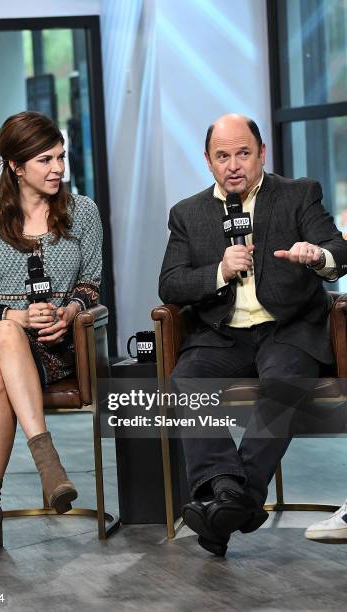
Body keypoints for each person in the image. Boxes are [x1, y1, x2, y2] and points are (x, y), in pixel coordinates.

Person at [159, 113, 347, 556]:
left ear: (262, 153)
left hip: (289, 329)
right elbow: (170, 284)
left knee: (283, 383)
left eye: (243, 153)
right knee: (188, 382)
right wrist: (219, 271)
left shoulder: (299, 194)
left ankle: (226, 503)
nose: (234, 165)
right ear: (207, 161)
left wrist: (316, 255)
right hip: (221, 335)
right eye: (222, 156)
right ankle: (230, 491)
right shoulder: (188, 213)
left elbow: (339, 251)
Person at [0, 111, 102, 557]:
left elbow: (90, 284)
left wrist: (69, 310)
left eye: (61, 157)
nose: (58, 168)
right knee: (4, 339)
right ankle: (47, 460)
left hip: (49, 349)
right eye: (44, 159)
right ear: (16, 166)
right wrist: (16, 316)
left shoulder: (83, 213)